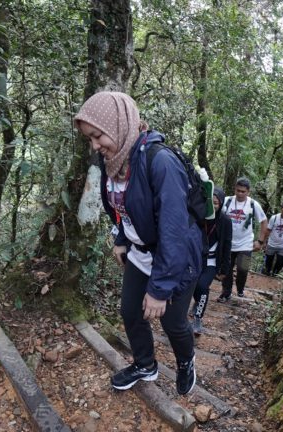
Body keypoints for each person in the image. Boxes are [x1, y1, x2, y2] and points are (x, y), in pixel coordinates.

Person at [74, 91, 202, 396]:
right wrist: (121, 239)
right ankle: (145, 364)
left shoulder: (160, 162)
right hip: (140, 252)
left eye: (97, 136)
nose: (95, 146)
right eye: (89, 139)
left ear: (118, 124)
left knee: (172, 321)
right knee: (131, 311)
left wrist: (159, 290)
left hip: (177, 257)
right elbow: (122, 208)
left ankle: (186, 361)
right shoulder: (114, 162)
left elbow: (174, 232)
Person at [218, 177, 267, 302]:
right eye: (238, 190)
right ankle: (226, 292)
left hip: (246, 244)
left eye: (243, 191)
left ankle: (240, 289)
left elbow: (263, 221)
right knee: (227, 269)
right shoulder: (227, 201)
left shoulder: (253, 204)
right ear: (234, 189)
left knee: (243, 268)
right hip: (228, 243)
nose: (240, 193)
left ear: (248, 191)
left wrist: (260, 241)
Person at [191, 187, 232, 335]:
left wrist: (224, 269)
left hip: (212, 261)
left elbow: (227, 244)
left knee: (202, 286)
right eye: (211, 202)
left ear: (221, 204)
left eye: (216, 203)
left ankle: (198, 317)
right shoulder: (198, 215)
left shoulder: (225, 221)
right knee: (193, 287)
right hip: (195, 259)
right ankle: (197, 304)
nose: (213, 206)